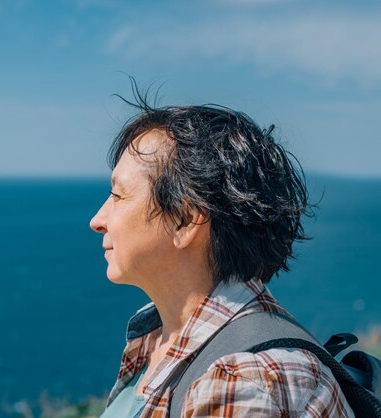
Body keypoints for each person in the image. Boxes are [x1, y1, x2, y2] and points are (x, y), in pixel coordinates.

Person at [89, 90, 355, 417]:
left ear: (186, 220)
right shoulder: (159, 341)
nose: (97, 221)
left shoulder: (243, 379)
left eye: (118, 195)